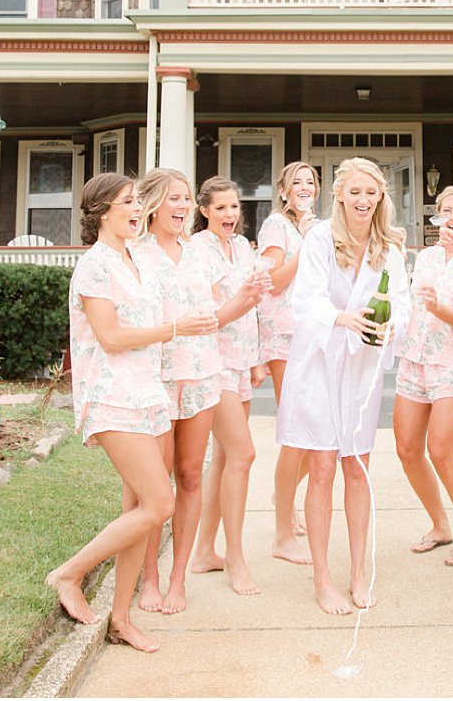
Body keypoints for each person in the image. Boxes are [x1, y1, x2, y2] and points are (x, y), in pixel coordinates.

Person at [45, 172, 217, 650]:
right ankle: (69, 573)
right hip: (111, 398)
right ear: (103, 212)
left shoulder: (134, 259)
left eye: (139, 201)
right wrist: (174, 329)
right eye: (128, 203)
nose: (138, 209)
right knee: (160, 503)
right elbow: (112, 338)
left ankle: (120, 618)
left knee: (144, 509)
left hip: (147, 395)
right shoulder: (94, 267)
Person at [275, 156, 411, 615]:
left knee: (358, 468)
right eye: (355, 192)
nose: (364, 200)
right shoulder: (319, 238)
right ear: (338, 194)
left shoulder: (390, 246)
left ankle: (357, 573)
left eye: (371, 193)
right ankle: (322, 578)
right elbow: (305, 298)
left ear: (381, 197)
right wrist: (340, 318)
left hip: (361, 370)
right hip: (319, 363)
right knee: (322, 469)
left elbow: (402, 305)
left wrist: (392, 329)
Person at [131, 168, 222, 614]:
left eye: (186, 199)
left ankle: (177, 578)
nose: (183, 207)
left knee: (189, 476)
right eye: (174, 199)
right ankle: (147, 576)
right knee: (153, 485)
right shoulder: (134, 254)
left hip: (200, 375)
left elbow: (219, 309)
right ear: (151, 204)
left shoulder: (201, 253)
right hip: (154, 379)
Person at [392, 186, 453, 567]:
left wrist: (437, 309)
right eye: (445, 210)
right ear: (437, 218)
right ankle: (440, 525)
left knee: (441, 451)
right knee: (406, 449)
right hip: (414, 360)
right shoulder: (428, 257)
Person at [185, 177, 271, 597]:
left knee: (224, 458)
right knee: (243, 454)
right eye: (221, 208)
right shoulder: (197, 252)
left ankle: (205, 551)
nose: (230, 215)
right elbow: (215, 315)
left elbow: (251, 308)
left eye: (235, 207)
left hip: (239, 363)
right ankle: (235, 558)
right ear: (205, 211)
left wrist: (255, 360)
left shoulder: (242, 247)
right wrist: (248, 295)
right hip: (211, 362)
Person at [260, 161, 321, 566]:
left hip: (316, 333)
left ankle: (283, 496)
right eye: (296, 182)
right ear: (283, 192)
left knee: (312, 429)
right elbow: (275, 281)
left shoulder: (320, 227)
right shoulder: (276, 227)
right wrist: (306, 243)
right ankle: (283, 532)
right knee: (297, 428)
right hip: (284, 336)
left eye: (310, 182)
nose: (303, 187)